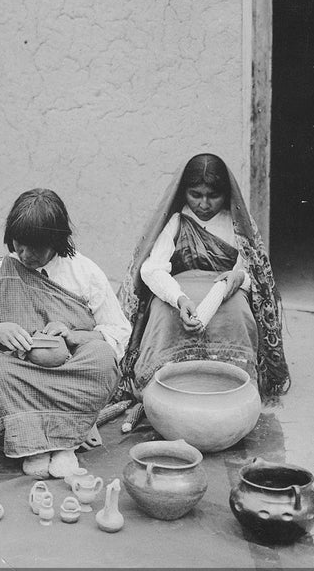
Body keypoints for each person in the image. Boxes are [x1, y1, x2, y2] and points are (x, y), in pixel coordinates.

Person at [0, 188, 131, 479]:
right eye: (19, 245)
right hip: (21, 372)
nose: (25, 255)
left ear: (56, 241)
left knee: (103, 360)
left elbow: (118, 333)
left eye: (35, 248)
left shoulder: (83, 271)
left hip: (70, 370)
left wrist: (75, 336)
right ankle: (33, 445)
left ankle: (65, 443)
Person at [116, 153, 291, 423]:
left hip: (224, 291)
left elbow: (250, 272)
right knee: (163, 315)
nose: (204, 204)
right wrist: (179, 298)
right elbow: (151, 269)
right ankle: (159, 383)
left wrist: (236, 280)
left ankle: (235, 383)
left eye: (213, 195)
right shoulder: (176, 221)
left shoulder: (237, 225)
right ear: (184, 191)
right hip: (177, 291)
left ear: (226, 193)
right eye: (195, 194)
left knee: (238, 314)